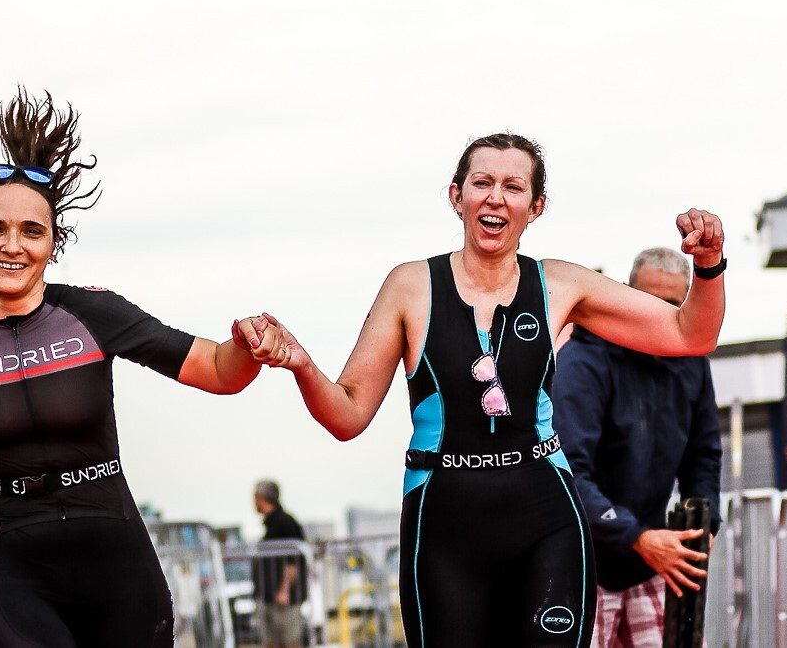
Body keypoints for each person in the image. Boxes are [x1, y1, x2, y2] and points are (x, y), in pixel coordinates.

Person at [245, 133, 726, 647]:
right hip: (444, 525)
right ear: (457, 196)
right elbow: (347, 415)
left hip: (547, 519)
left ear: (535, 207)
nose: (497, 197)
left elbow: (689, 333)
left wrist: (709, 266)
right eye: (483, 182)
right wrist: (300, 364)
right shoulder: (410, 287)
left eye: (514, 187)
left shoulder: (561, 285)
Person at [0, 89, 287, 647]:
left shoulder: (93, 314)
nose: (13, 246)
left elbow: (218, 370)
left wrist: (247, 343)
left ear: (54, 243)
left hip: (113, 553)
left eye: (32, 232)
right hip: (8, 562)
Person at [554, 247, 721, 647]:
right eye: (647, 300)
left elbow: (704, 454)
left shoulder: (692, 359)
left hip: (651, 561)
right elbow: (568, 471)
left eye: (670, 304)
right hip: (582, 566)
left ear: (684, 303)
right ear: (626, 293)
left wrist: (704, 523)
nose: (657, 312)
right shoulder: (583, 360)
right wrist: (638, 537)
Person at [252, 480, 307, 648]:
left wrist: (284, 590)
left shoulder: (286, 523)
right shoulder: (271, 525)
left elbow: (293, 562)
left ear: (262, 498)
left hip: (284, 598)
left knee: (290, 641)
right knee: (272, 642)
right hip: (269, 596)